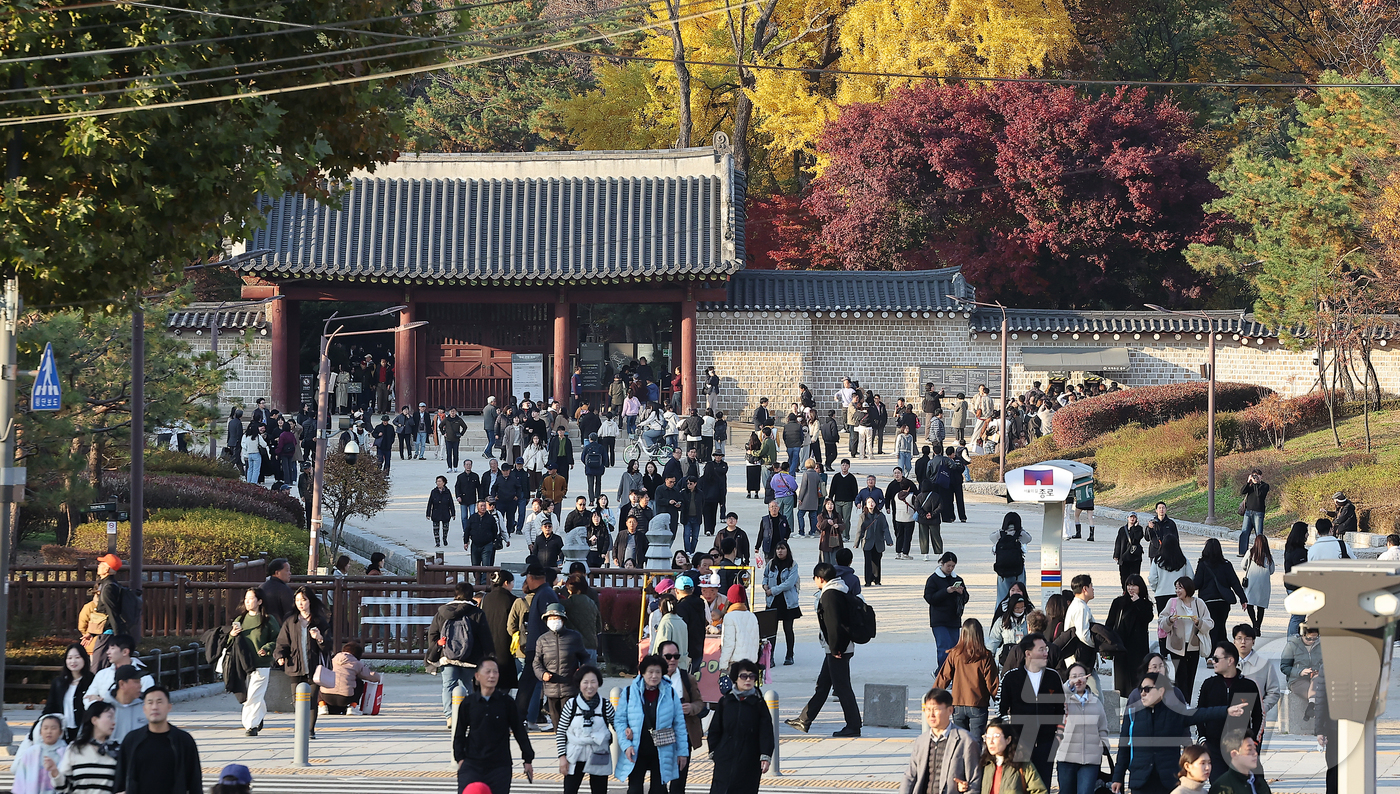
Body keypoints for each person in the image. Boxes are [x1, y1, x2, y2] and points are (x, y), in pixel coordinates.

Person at [1110, 671, 1248, 794]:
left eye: (1147, 689)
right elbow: (1124, 748)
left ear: (1161, 691)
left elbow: (1201, 713)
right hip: (1140, 780)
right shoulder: (1133, 713)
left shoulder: (1174, 712)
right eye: (1141, 690)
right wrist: (1117, 778)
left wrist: (1226, 711)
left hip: (1168, 781)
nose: (1142, 693)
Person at [786, 562, 862, 737]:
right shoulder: (840, 589)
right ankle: (805, 719)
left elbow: (834, 625)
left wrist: (836, 648)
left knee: (842, 687)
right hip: (837, 647)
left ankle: (853, 725)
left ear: (820, 578)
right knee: (823, 685)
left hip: (837, 649)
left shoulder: (829, 595)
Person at [454, 659, 535, 794]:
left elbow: (519, 731)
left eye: (495, 672)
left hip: (499, 766)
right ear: (477, 676)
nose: (492, 676)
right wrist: (460, 758)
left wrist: (528, 759)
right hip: (472, 764)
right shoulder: (469, 703)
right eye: (488, 672)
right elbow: (459, 733)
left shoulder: (506, 702)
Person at [615, 654, 690, 794]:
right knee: (635, 789)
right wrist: (626, 745)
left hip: (662, 750)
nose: (654, 676)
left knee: (659, 790)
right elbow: (619, 720)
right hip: (637, 750)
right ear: (642, 673)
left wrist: (682, 752)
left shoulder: (671, 693)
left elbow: (679, 724)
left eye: (658, 672)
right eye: (650, 672)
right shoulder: (629, 693)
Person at [995, 634, 1063, 786]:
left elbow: (1061, 708)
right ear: (1028, 653)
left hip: (1046, 742)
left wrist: (1058, 735)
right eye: (1041, 649)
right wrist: (1010, 732)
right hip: (1020, 741)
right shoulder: (1011, 677)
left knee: (1043, 784)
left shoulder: (1053, 676)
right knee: (1019, 783)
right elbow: (1000, 707)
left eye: (1046, 649)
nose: (1046, 653)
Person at [426, 580, 496, 723]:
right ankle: (470, 715)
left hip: (447, 656)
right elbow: (485, 637)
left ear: (455, 594)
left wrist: (438, 647)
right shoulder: (477, 612)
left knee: (448, 686)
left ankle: (450, 716)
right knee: (469, 686)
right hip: (471, 658)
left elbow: (432, 634)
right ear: (470, 595)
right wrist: (489, 656)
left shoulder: (442, 612)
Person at [112, 686, 202, 794]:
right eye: (150, 703)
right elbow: (120, 780)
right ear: (144, 709)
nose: (154, 707)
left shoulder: (183, 740)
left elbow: (195, 781)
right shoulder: (132, 740)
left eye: (159, 702)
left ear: (169, 707)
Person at [1196, 641, 1263, 782]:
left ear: (1230, 660)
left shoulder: (1248, 686)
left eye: (1216, 659)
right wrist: (1203, 740)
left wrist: (1254, 741)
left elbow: (1258, 716)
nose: (1212, 662)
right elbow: (1200, 714)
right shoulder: (1209, 685)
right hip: (1214, 747)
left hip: (1240, 748)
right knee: (1219, 786)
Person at [706, 658, 775, 794]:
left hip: (750, 760)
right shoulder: (726, 701)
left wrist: (765, 755)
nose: (748, 680)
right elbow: (715, 729)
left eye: (752, 676)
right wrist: (715, 752)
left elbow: (766, 732)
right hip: (725, 759)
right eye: (743, 676)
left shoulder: (758, 703)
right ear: (735, 679)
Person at [895, 687, 982, 794]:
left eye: (936, 709)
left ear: (950, 710)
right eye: (927, 709)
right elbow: (910, 775)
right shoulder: (921, 741)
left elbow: (974, 781)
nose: (931, 714)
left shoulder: (965, 740)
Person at [273, 586, 332, 739]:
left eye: (303, 600)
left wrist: (319, 637)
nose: (300, 603)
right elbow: (282, 643)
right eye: (297, 600)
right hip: (295, 666)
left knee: (312, 700)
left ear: (310, 601)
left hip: (314, 668)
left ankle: (309, 730)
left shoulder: (320, 621)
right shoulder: (290, 621)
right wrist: (280, 655)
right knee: (297, 701)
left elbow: (328, 646)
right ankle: (300, 728)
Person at [226, 586, 280, 736]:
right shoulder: (240, 619)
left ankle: (251, 725)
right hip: (242, 662)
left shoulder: (268, 620)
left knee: (254, 694)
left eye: (251, 599)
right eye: (246, 599)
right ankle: (258, 716)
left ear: (260, 601)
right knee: (249, 695)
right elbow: (229, 642)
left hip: (261, 662)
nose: (248, 602)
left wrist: (267, 648)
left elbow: (278, 639)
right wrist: (232, 634)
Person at [933, 619, 997, 740]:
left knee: (959, 742)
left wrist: (933, 696)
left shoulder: (955, 654)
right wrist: (1001, 702)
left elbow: (944, 677)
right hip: (978, 704)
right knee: (976, 742)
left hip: (958, 703)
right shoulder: (985, 656)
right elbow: (992, 683)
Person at [555, 665, 615, 794]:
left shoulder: (605, 705)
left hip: (599, 753)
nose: (590, 686)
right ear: (579, 684)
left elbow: (617, 726)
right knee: (570, 790)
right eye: (585, 682)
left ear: (598, 683)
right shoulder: (571, 705)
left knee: (600, 791)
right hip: (575, 755)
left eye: (593, 682)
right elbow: (561, 731)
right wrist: (562, 757)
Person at [534, 603, 590, 734]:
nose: (554, 621)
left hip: (570, 687)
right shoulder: (542, 640)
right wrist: (542, 674)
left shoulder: (574, 637)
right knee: (557, 726)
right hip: (551, 689)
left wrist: (581, 671)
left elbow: (585, 657)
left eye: (556, 618)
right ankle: (561, 750)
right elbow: (536, 663)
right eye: (551, 618)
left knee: (570, 724)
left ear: (563, 620)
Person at [1056, 662, 1111, 794]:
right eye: (1073, 676)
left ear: (1087, 678)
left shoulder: (1096, 702)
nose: (1078, 679)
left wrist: (1103, 745)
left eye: (1081, 675)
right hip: (1066, 758)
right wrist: (1069, 684)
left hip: (1090, 760)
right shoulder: (1064, 699)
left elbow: (1103, 727)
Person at [1158, 577, 1212, 705]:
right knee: (1180, 676)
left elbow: (1210, 623)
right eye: (1176, 587)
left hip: (1193, 646)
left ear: (1188, 588)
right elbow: (1161, 620)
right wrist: (1170, 620)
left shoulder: (1199, 603)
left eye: (1180, 587)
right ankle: (1181, 703)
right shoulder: (1172, 602)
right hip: (1176, 646)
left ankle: (1186, 702)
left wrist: (1199, 622)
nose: (1177, 590)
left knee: (1190, 675)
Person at [48, 701, 117, 794]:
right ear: (94, 720)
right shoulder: (75, 748)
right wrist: (54, 772)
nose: (114, 722)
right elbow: (64, 788)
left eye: (114, 718)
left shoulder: (117, 750)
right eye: (110, 717)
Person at [1232, 624, 1282, 745]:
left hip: (1254, 720)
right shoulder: (1228, 664)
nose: (1243, 642)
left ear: (1253, 641)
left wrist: (1261, 708)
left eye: (1247, 638)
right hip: (1231, 719)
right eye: (1239, 638)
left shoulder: (1264, 665)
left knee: (1252, 757)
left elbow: (1274, 691)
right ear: (1234, 641)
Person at [1106, 575, 1154, 697]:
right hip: (1121, 645)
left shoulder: (1145, 604)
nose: (1130, 588)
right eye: (1128, 585)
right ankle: (1122, 707)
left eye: (1134, 585)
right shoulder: (1119, 602)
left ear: (1140, 587)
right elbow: (1110, 623)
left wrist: (1138, 602)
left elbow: (1147, 618)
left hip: (1138, 648)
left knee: (1138, 678)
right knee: (1121, 680)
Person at [978, 717, 1047, 794]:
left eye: (996, 736)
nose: (991, 741)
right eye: (988, 737)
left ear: (1008, 739)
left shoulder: (1022, 764)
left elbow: (1040, 791)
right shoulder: (984, 764)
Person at [924, 552, 968, 670]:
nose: (950, 568)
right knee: (944, 648)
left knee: (955, 650)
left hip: (954, 619)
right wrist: (946, 591)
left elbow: (966, 598)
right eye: (948, 565)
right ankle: (942, 674)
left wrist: (961, 593)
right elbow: (929, 598)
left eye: (953, 566)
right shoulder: (933, 579)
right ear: (942, 564)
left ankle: (949, 674)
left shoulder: (958, 579)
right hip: (939, 620)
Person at [42, 643, 92, 742]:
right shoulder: (59, 682)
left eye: (77, 657)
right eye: (69, 658)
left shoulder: (92, 681)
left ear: (84, 659)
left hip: (84, 732)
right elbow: (50, 707)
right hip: (62, 732)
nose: (73, 661)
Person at [84, 635, 152, 707]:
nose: (108, 652)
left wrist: (104, 701)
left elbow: (149, 703)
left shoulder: (144, 678)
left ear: (125, 652)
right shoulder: (102, 674)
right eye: (108, 648)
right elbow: (87, 698)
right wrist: (98, 704)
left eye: (112, 648)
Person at [763, 540, 802, 665]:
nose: (780, 551)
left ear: (787, 550)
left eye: (782, 548)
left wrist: (773, 590)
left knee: (788, 629)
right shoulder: (771, 564)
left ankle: (790, 655)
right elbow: (765, 576)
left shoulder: (793, 565)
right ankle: (770, 657)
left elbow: (789, 584)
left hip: (788, 602)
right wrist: (764, 586)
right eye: (778, 549)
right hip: (772, 601)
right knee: (771, 631)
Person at [11, 713, 66, 794]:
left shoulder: (66, 752)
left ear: (60, 732)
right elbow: (21, 776)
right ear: (40, 732)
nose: (49, 731)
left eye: (53, 728)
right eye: (45, 728)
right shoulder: (31, 752)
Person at [322, 641, 382, 715]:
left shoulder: (331, 660)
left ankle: (322, 706)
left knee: (321, 680)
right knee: (359, 682)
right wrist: (379, 677)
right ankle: (352, 707)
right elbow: (370, 676)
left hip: (326, 696)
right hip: (346, 698)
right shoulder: (357, 663)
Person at [1148, 533, 1193, 616]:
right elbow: (1190, 577)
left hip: (1162, 594)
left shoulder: (1157, 560)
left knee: (1164, 622)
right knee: (1179, 622)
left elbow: (1152, 578)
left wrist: (1156, 589)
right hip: (1180, 594)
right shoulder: (1183, 560)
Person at [1238, 534, 1274, 634]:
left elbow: (1243, 565)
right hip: (1264, 584)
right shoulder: (1268, 556)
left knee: (1250, 603)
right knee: (1261, 606)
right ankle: (1258, 625)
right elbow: (1272, 570)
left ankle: (1254, 624)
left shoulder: (1250, 552)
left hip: (1251, 581)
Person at [718, 584, 759, 671]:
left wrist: (723, 664)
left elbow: (728, 643)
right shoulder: (752, 616)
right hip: (751, 661)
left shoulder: (729, 617)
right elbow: (756, 640)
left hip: (736, 663)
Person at [855, 497, 893, 588]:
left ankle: (877, 579)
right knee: (868, 562)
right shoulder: (863, 516)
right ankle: (868, 580)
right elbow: (859, 530)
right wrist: (856, 542)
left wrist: (889, 541)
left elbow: (885, 528)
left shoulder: (880, 515)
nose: (871, 504)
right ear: (866, 504)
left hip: (878, 541)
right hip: (867, 541)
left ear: (876, 504)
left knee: (877, 561)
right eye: (869, 502)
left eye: (872, 502)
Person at [1062, 574, 1098, 673]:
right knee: (1093, 687)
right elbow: (1083, 634)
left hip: (1078, 659)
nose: (1093, 589)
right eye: (1091, 586)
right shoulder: (1080, 608)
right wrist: (1097, 645)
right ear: (1085, 589)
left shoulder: (1078, 605)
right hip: (1079, 661)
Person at [992, 513, 1030, 605]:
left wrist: (1002, 530)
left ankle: (1001, 616)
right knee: (1020, 594)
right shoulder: (1021, 534)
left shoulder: (1000, 534)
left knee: (1002, 596)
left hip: (1003, 570)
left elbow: (991, 537)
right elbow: (1029, 538)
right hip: (1018, 569)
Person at [1282, 521, 1310, 638]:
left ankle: (1292, 640)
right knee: (1298, 617)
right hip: (1297, 588)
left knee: (1297, 616)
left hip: (1290, 586)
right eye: (1306, 532)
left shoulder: (1290, 548)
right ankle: (1292, 641)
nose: (1308, 535)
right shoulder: (1300, 553)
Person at [988, 594, 1029, 668]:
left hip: (1024, 658)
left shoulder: (1028, 620)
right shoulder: (1002, 621)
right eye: (1017, 608)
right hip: (1005, 657)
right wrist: (988, 656)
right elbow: (994, 640)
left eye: (1022, 607)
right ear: (1012, 608)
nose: (1020, 611)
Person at [886, 467, 917, 560]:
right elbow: (887, 497)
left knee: (901, 533)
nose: (896, 475)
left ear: (902, 473)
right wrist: (887, 507)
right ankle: (904, 552)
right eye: (895, 473)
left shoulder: (909, 484)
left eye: (898, 473)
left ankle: (899, 552)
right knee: (901, 533)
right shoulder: (892, 485)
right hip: (900, 513)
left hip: (899, 515)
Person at [1238, 470, 1269, 557]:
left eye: (1258, 476)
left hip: (1258, 512)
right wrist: (1248, 482)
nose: (1256, 477)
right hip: (1248, 512)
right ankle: (1242, 552)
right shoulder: (1250, 485)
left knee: (1259, 534)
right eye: (1254, 476)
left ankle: (1260, 552)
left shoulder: (1265, 486)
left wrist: (1256, 483)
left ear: (1261, 476)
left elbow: (1259, 495)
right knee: (1244, 532)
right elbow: (1242, 491)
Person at [1113, 513, 1145, 585]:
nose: (1132, 519)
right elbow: (1118, 542)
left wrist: (1135, 528)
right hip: (1124, 556)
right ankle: (1125, 591)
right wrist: (1116, 554)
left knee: (1135, 576)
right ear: (1127, 518)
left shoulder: (1139, 529)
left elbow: (1136, 539)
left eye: (1134, 517)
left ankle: (1134, 592)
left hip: (1135, 557)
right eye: (1131, 517)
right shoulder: (1122, 529)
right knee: (1124, 576)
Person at [427, 475, 456, 549]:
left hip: (445, 511)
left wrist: (453, 513)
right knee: (436, 528)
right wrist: (428, 514)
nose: (438, 483)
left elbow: (451, 503)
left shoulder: (447, 491)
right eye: (437, 481)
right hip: (436, 512)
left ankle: (445, 538)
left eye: (440, 481)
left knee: (445, 528)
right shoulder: (434, 491)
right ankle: (437, 542)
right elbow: (430, 503)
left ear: (444, 482)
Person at [816, 498, 845, 567]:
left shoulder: (837, 515)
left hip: (836, 540)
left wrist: (838, 526)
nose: (830, 506)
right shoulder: (821, 516)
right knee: (825, 561)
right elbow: (819, 527)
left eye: (832, 504)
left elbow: (843, 526)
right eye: (828, 504)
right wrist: (826, 522)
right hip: (826, 541)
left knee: (835, 561)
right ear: (825, 506)